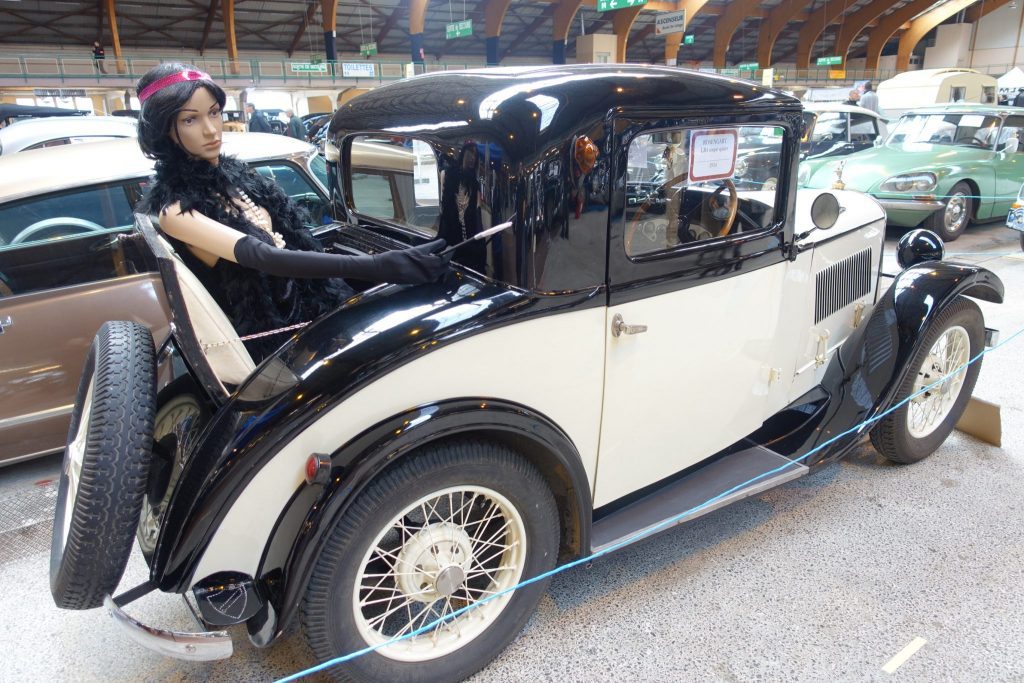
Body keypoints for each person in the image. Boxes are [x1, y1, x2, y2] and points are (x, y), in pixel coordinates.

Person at [135, 63, 450, 361]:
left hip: (308, 300)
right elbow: (265, 256)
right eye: (190, 120)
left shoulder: (237, 177)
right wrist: (381, 266)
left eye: (214, 113)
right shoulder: (174, 210)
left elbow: (291, 238)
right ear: (165, 130)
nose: (210, 130)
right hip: (279, 332)